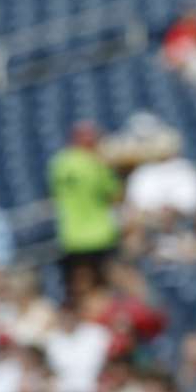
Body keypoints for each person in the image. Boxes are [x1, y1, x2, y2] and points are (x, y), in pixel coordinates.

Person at [49, 122, 121, 290]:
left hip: (71, 235)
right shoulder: (95, 163)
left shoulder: (60, 162)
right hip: (99, 234)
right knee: (105, 282)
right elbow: (115, 195)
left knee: (80, 284)